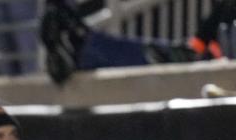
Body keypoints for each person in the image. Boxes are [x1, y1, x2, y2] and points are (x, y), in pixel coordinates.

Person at [41, 0, 236, 84]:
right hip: (203, 61)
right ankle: (80, 41)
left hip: (219, 67)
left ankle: (80, 43)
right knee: (155, 54)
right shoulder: (228, 5)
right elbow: (198, 44)